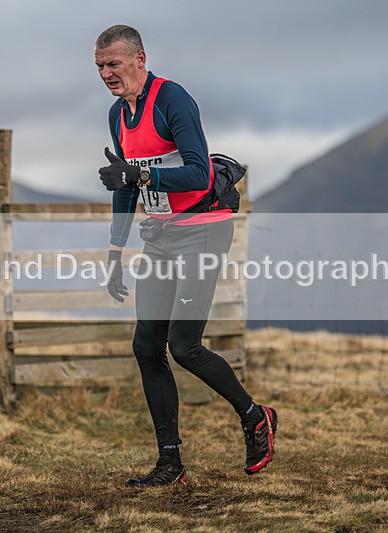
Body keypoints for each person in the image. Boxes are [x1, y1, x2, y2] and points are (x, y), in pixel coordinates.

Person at [94, 24, 277, 488]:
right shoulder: (117, 115)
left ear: (140, 59)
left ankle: (255, 417)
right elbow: (124, 185)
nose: (106, 73)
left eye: (114, 63)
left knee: (184, 346)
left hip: (203, 231)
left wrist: (139, 176)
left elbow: (198, 174)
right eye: (99, 66)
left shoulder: (172, 100)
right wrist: (115, 249)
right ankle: (170, 462)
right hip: (161, 235)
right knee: (146, 346)